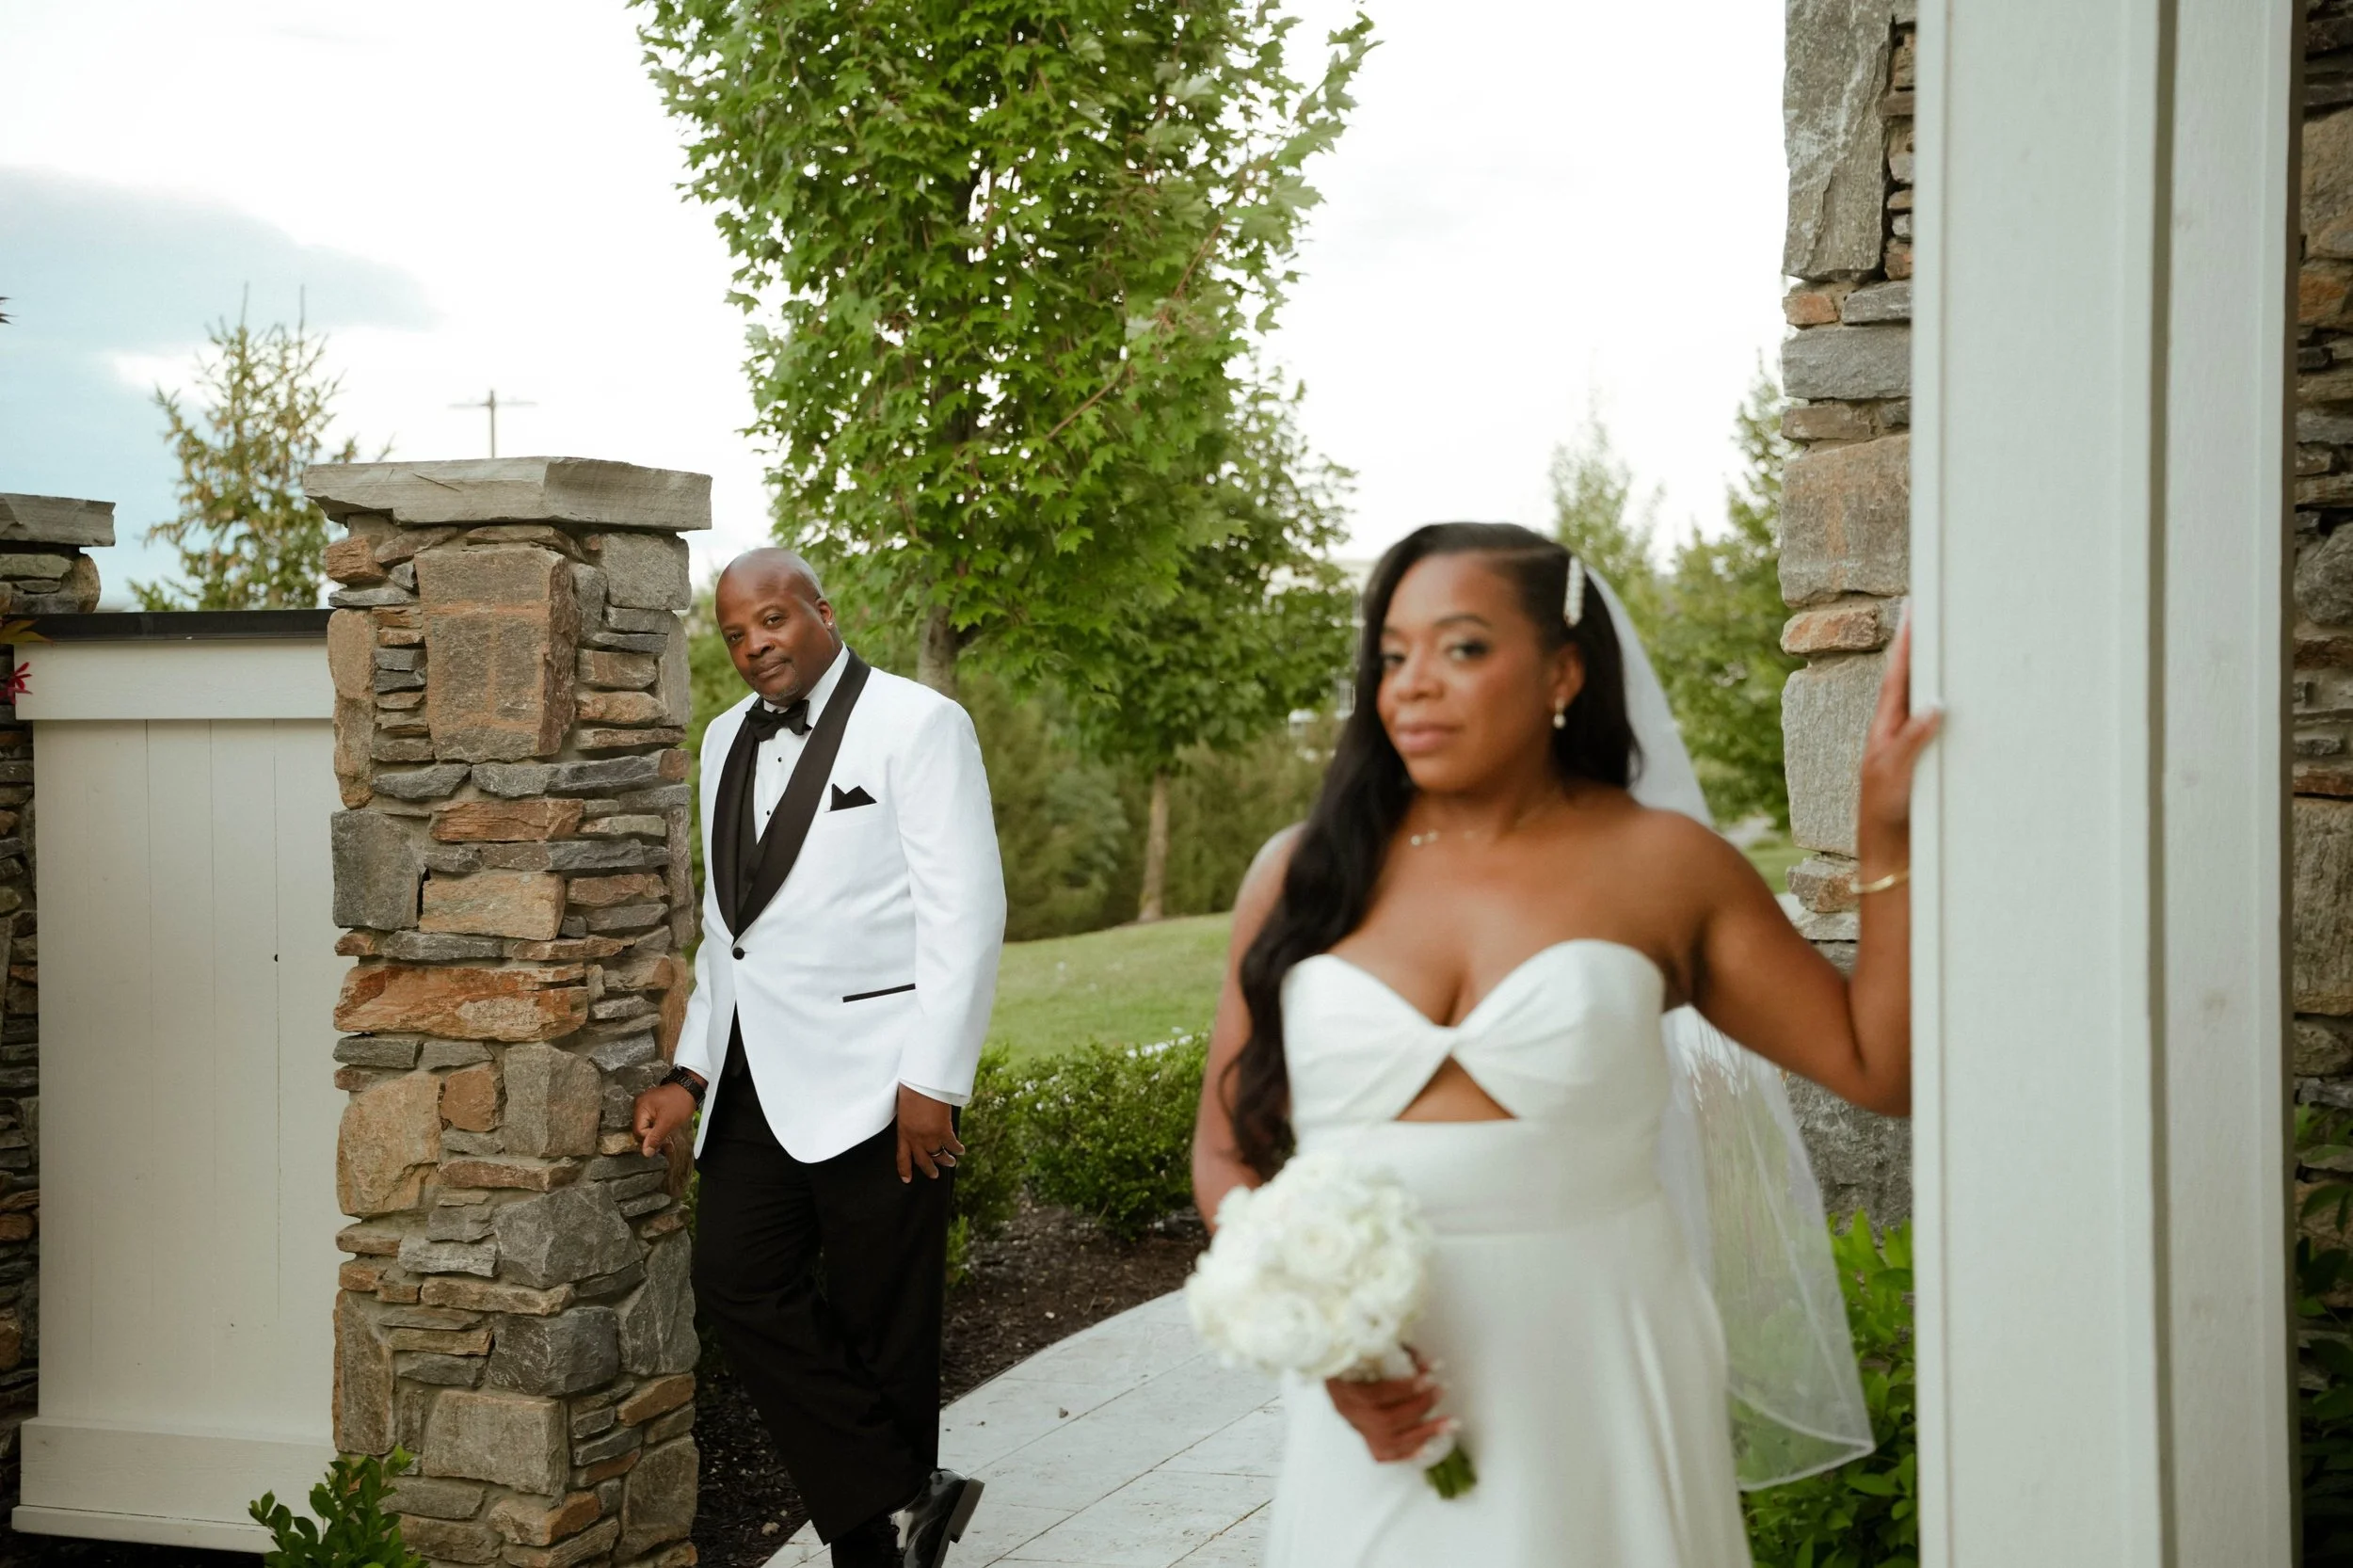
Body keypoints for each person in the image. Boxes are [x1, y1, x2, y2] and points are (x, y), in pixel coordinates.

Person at [1190, 522, 1938, 1565]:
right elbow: (1225, 1152)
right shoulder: (1301, 874)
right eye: (1393, 655)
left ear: (1563, 671)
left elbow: (1876, 1066)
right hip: (1387, 1398)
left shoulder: (1664, 867)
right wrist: (1323, 1341)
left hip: (1600, 1359)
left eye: (1462, 647)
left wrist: (1885, 838)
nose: (1413, 684)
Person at [632, 548, 1005, 1568]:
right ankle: (909, 1488)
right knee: (733, 1281)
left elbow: (966, 912)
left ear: (822, 612)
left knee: (886, 1323)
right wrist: (690, 1073)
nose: (755, 645)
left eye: (772, 619)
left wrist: (933, 1081)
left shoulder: (920, 724)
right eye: (735, 633)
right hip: (752, 1079)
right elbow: (730, 934)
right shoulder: (723, 738)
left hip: (886, 1082)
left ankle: (874, 1552)